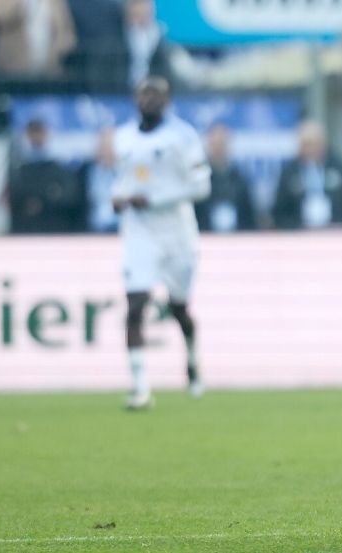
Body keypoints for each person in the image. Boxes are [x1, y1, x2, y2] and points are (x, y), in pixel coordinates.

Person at [111, 77, 211, 409]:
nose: (148, 99)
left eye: (155, 94)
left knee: (179, 307)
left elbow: (200, 188)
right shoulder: (122, 137)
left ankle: (193, 362)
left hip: (177, 233)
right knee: (136, 304)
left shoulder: (182, 137)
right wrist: (118, 198)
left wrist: (152, 199)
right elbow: (123, 180)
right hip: (139, 233)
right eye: (143, 93)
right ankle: (140, 388)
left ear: (167, 101)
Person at [272, 120, 342, 230]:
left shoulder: (337, 167)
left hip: (336, 233)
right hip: (299, 235)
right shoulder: (288, 173)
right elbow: (279, 211)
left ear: (323, 144)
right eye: (307, 144)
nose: (311, 149)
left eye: (315, 144)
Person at [195, 123, 256, 232]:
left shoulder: (240, 180)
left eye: (222, 143)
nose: (219, 148)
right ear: (208, 145)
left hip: (238, 241)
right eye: (215, 144)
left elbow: (249, 217)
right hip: (206, 239)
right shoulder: (199, 179)